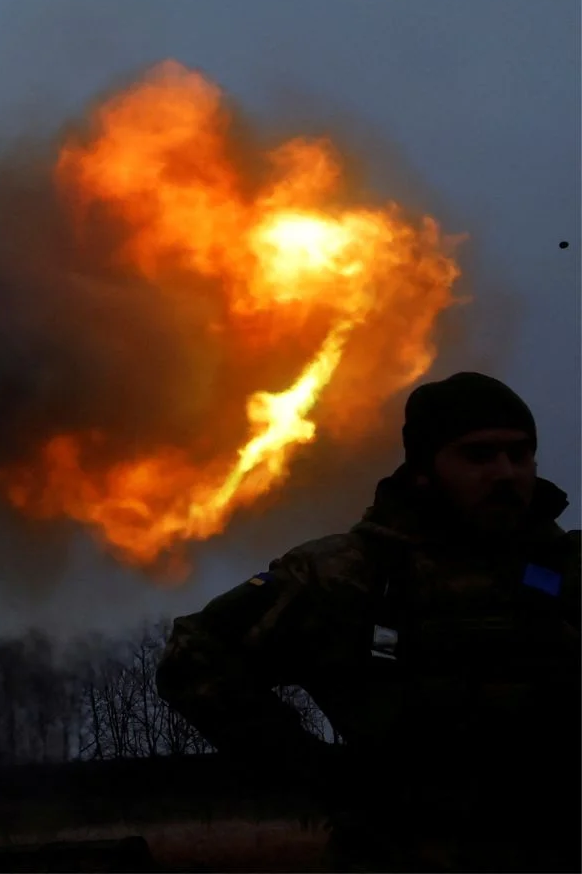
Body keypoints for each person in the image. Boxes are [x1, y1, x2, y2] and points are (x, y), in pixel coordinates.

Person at [157, 371, 579, 872]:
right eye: (478, 455)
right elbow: (193, 657)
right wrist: (317, 771)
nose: (506, 472)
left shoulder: (566, 568)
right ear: (424, 468)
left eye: (520, 453)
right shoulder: (350, 574)